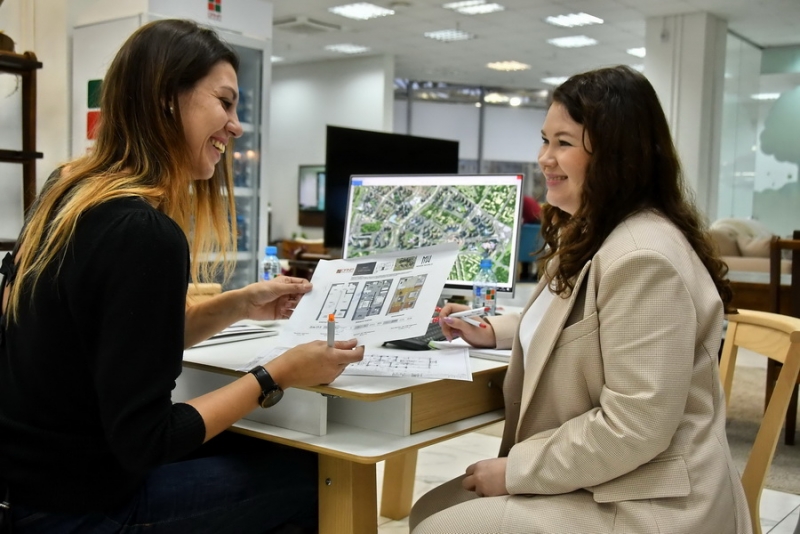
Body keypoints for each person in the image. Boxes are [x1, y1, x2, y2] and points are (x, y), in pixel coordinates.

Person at [0, 19, 364, 534]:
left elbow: (119, 345)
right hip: (78, 510)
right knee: (317, 479)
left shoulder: (66, 192)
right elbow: (149, 440)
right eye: (225, 103)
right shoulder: (143, 233)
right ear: (167, 100)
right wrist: (277, 373)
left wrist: (237, 304)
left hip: (23, 488)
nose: (236, 127)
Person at [409, 65, 752, 533]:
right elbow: (572, 318)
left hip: (651, 499)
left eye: (563, 143)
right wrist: (491, 329)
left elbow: (636, 424)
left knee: (438, 526)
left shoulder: (643, 257)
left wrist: (517, 470)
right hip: (616, 476)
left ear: (617, 155)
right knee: (429, 510)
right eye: (545, 140)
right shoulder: (595, 233)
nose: (544, 158)